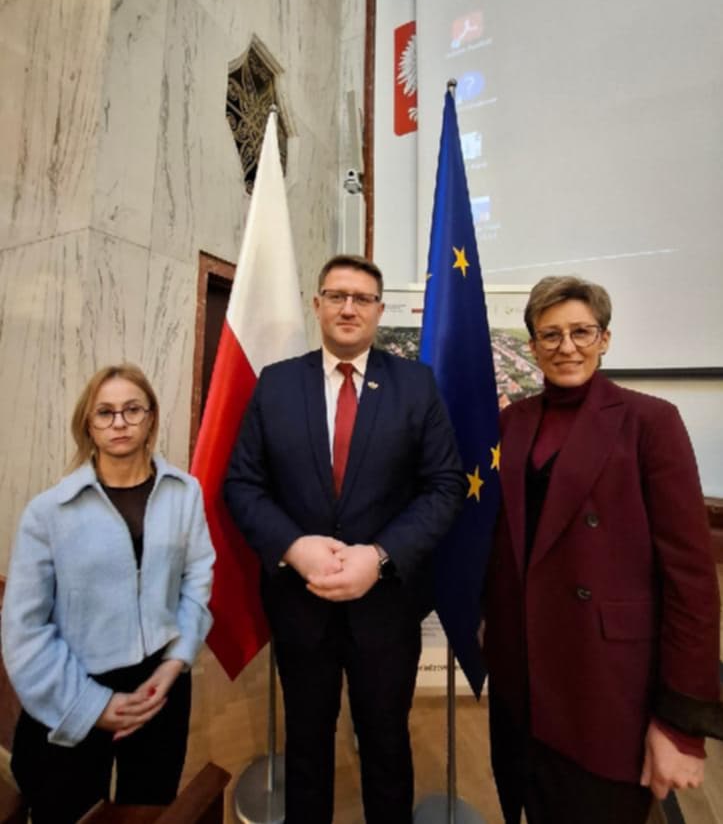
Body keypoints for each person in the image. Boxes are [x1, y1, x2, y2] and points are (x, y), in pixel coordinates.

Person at [225, 254, 465, 824]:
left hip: (385, 609)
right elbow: (242, 482)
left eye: (362, 298)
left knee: (386, 740)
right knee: (306, 742)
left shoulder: (416, 385)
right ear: (317, 305)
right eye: (336, 295)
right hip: (298, 604)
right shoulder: (277, 383)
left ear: (380, 310)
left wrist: (379, 557)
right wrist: (293, 547)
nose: (349, 307)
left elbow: (444, 486)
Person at [482, 275, 723, 824]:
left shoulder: (650, 421)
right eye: (550, 335)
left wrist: (681, 723)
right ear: (532, 345)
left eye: (581, 332)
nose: (566, 347)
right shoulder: (509, 424)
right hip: (523, 677)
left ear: (606, 339)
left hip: (608, 683)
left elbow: (690, 580)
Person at [1, 364, 214, 824]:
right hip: (74, 684)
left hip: (161, 684)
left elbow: (197, 578)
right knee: (64, 808)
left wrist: (175, 663)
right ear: (89, 425)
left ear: (151, 418)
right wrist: (93, 707)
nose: (119, 422)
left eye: (132, 409)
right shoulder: (48, 513)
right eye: (105, 413)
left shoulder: (185, 492)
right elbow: (24, 631)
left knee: (149, 806)